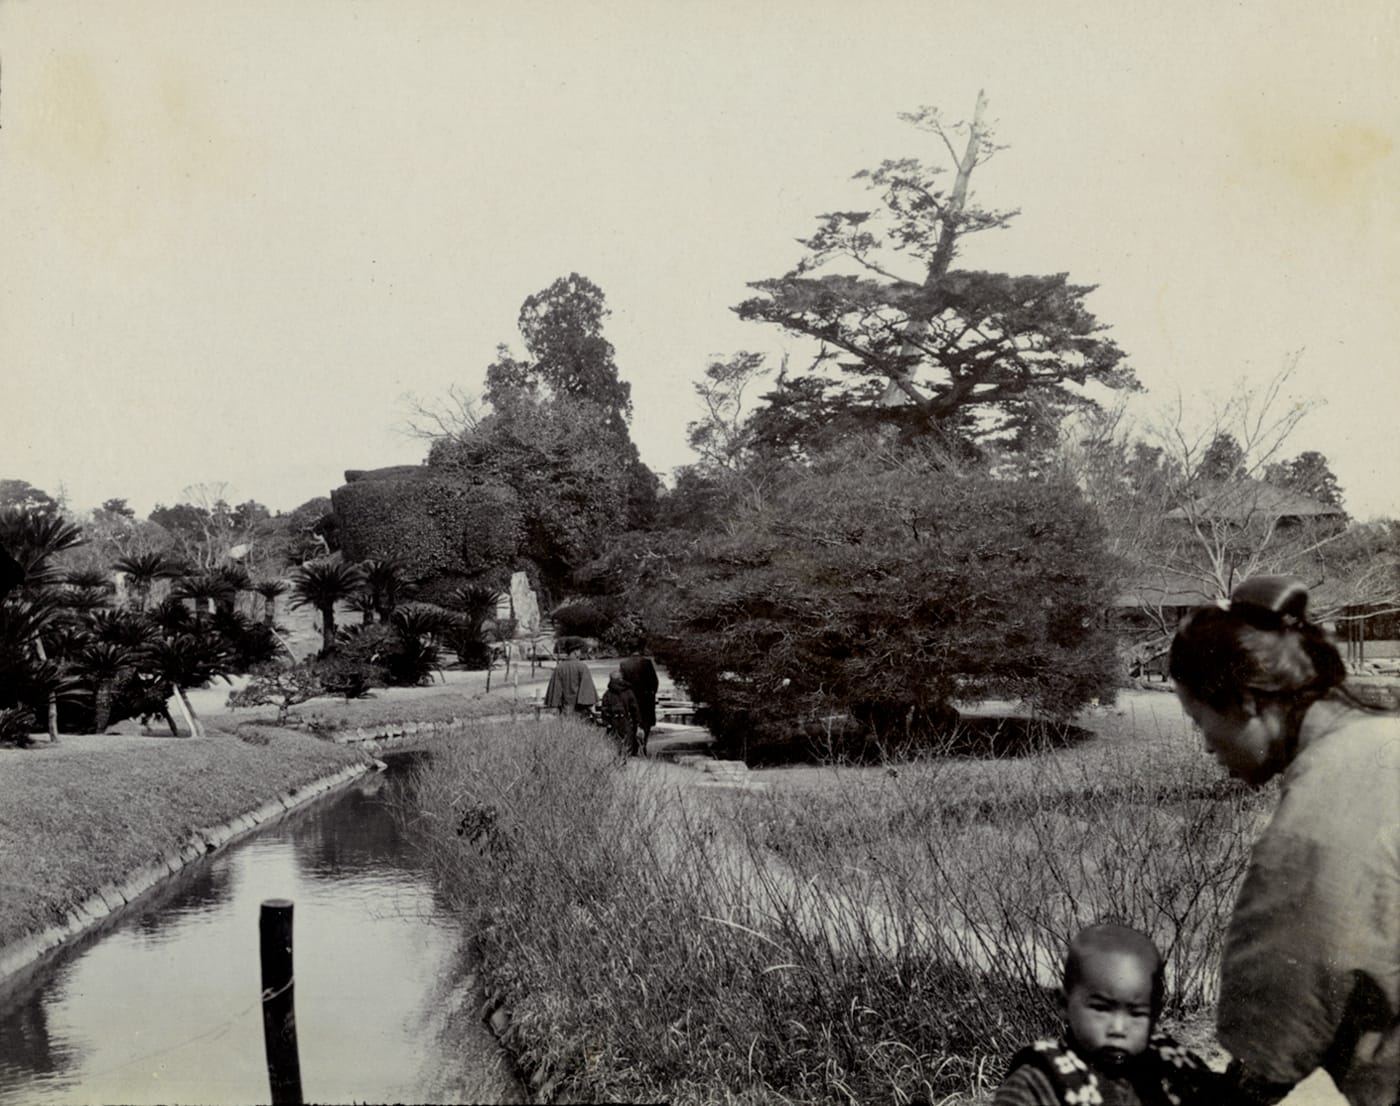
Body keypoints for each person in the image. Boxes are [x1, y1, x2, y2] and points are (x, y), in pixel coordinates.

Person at [1170, 575, 1400, 1106]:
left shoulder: (1316, 817)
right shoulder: (1383, 739)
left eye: (1200, 721)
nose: (1207, 746)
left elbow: (1272, 1032)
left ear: (1246, 702)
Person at [993, 923, 1216, 1106]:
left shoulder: (1170, 1064)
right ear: (1064, 1004)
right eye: (1101, 1009)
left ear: (1155, 1014)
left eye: (1137, 1014)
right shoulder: (1040, 1079)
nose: (1118, 1028)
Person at [543, 646, 598, 718]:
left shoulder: (559, 667)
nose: (580, 653)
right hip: (580, 710)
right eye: (579, 651)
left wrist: (555, 706)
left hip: (565, 709)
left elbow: (555, 690)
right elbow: (587, 689)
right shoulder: (582, 667)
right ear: (575, 652)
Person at [599, 670, 643, 758]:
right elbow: (635, 709)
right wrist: (638, 723)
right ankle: (625, 759)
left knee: (614, 744)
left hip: (613, 723)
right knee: (627, 744)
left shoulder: (607, 694)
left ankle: (618, 760)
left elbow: (604, 710)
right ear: (621, 679)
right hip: (626, 722)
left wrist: (606, 723)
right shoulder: (628, 692)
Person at [619, 648, 659, 743]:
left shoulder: (624, 664)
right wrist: (652, 693)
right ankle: (643, 743)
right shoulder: (647, 663)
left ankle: (634, 744)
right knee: (646, 722)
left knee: (632, 721)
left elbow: (622, 683)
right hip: (646, 698)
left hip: (630, 698)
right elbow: (654, 681)